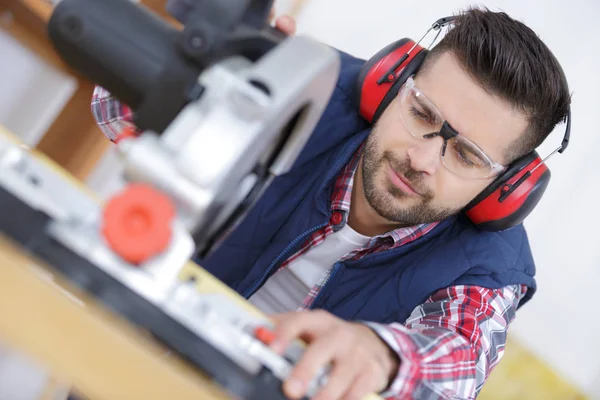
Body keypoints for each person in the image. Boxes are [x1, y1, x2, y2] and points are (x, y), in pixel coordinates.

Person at [91, 6, 571, 400]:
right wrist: (211, 75)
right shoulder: (302, 83)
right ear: (391, 81)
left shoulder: (491, 268)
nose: (423, 158)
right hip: (121, 359)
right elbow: (109, 104)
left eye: (467, 155)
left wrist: (381, 355)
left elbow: (459, 363)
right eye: (421, 112)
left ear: (507, 187)